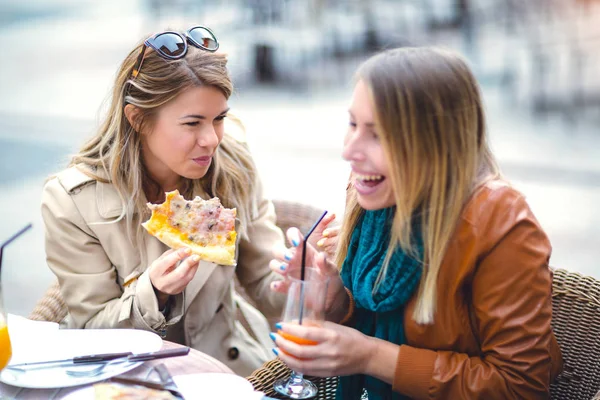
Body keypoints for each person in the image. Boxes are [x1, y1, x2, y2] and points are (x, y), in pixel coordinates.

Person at [269, 47, 563, 399]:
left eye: (378, 135)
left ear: (436, 144)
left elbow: (520, 387)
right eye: (352, 124)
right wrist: (333, 300)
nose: (349, 150)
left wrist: (371, 356)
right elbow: (371, 318)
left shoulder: (503, 225)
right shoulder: (372, 196)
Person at [42, 25, 305, 376]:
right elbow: (92, 329)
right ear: (137, 118)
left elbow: (263, 283)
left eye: (219, 118)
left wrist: (298, 275)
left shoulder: (234, 165)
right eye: (192, 123)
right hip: (131, 381)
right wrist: (153, 293)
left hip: (236, 373)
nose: (211, 140)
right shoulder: (70, 201)